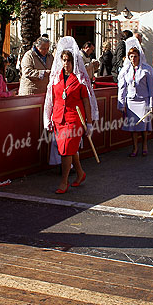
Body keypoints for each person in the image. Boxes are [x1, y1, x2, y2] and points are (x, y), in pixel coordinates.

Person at [43, 37, 99, 194]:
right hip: (59, 119)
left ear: (74, 62)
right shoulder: (55, 78)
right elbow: (50, 99)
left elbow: (87, 102)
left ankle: (64, 181)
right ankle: (80, 173)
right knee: (70, 148)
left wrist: (88, 122)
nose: (66, 63)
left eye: (68, 60)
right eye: (64, 60)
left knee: (66, 149)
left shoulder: (81, 79)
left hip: (74, 120)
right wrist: (47, 117)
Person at [117, 37, 153, 157]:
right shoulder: (126, 70)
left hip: (143, 100)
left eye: (135, 56)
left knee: (144, 126)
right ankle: (134, 148)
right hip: (131, 101)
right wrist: (121, 104)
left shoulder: (147, 70)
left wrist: (152, 105)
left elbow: (151, 89)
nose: (133, 59)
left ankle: (144, 145)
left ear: (139, 57)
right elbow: (122, 87)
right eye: (131, 57)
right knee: (133, 127)